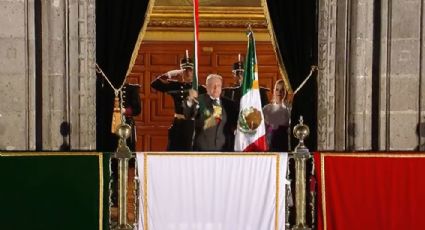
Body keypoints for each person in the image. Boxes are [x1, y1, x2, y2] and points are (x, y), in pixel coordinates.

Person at [150, 52, 206, 151]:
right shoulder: (176, 86)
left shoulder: (201, 89)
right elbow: (155, 84)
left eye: (190, 70)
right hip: (178, 124)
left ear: (194, 72)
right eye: (185, 70)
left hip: (193, 125)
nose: (188, 73)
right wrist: (169, 74)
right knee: (173, 152)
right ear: (181, 71)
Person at [184, 74, 238, 151]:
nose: (216, 88)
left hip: (225, 150)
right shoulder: (199, 101)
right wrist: (190, 102)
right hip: (203, 150)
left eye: (218, 85)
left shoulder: (229, 104)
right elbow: (189, 115)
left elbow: (236, 123)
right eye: (212, 85)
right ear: (206, 87)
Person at [262, 79, 290, 151]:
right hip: (268, 146)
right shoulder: (266, 108)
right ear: (274, 91)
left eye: (282, 90)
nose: (279, 92)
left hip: (284, 146)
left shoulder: (290, 109)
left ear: (286, 92)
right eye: (277, 89)